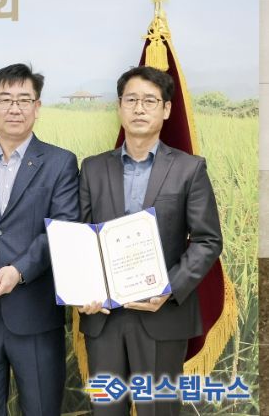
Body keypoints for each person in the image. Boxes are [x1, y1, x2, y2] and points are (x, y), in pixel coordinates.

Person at [78, 66, 223, 416]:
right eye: (131, 100)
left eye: (149, 101)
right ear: (119, 106)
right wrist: (83, 289)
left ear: (167, 109)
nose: (139, 109)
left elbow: (207, 240)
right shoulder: (93, 168)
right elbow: (80, 237)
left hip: (163, 315)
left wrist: (168, 288)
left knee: (158, 410)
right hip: (104, 317)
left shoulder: (189, 168)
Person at [0, 63, 79, 415]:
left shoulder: (60, 162)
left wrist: (19, 270)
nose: (14, 108)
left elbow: (62, 228)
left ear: (37, 107)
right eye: (5, 99)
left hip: (34, 312)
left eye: (24, 100)